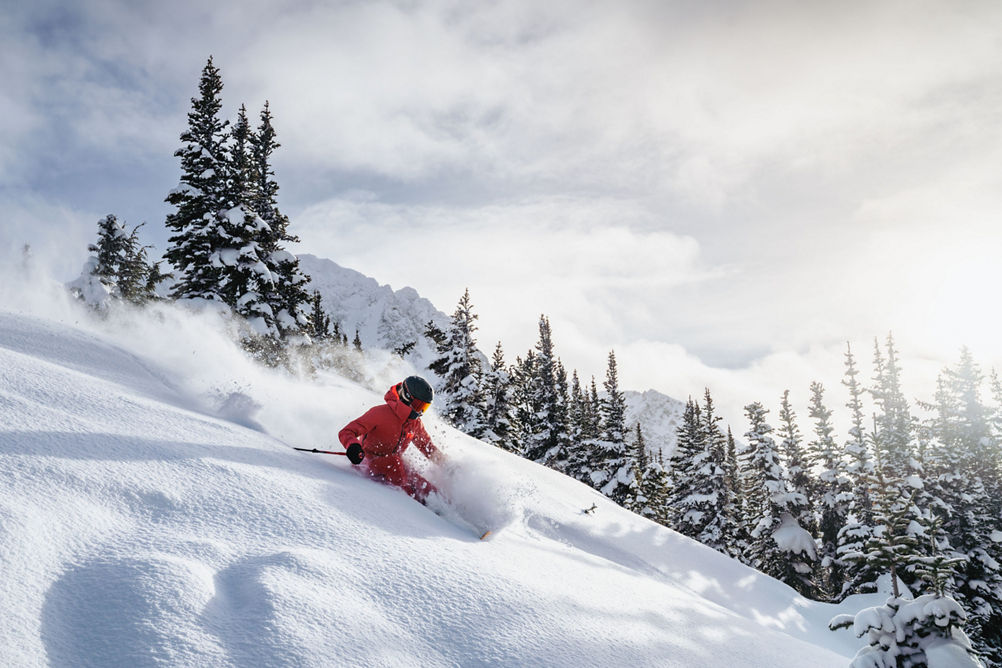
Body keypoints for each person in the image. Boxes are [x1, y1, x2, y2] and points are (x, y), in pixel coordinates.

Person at [338, 375, 444, 503]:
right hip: (370, 462)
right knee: (398, 472)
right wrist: (353, 446)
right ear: (407, 397)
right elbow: (347, 432)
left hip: (395, 465)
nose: (420, 411)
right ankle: (419, 507)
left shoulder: (414, 423)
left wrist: (446, 465)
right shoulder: (380, 413)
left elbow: (427, 447)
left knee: (426, 488)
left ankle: (442, 507)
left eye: (424, 407)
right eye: (418, 405)